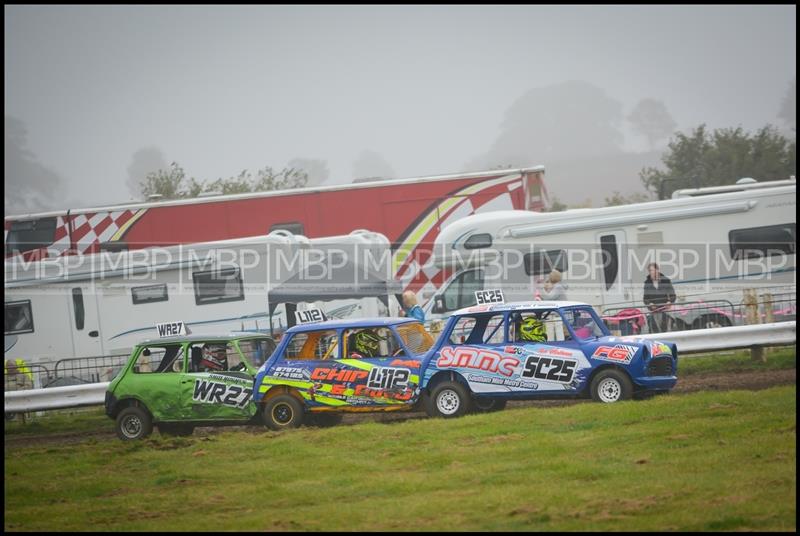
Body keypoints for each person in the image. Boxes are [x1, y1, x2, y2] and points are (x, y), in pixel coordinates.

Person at [643, 262, 676, 333]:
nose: (650, 272)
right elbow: (645, 299)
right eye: (649, 271)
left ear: (657, 270)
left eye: (652, 270)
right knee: (655, 332)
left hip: (665, 311)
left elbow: (673, 295)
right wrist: (650, 304)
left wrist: (669, 302)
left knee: (666, 331)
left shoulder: (666, 280)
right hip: (653, 312)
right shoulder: (647, 283)